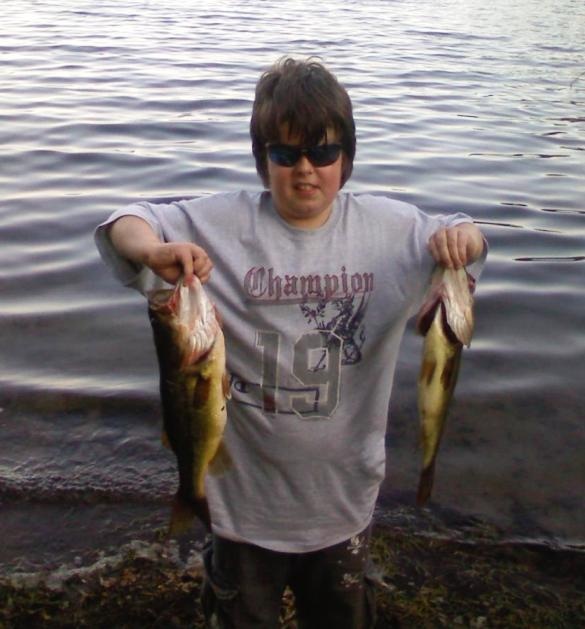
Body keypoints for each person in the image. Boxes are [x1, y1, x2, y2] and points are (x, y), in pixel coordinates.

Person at [95, 57, 486, 629]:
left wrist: (465, 236)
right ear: (263, 160)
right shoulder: (217, 226)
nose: (306, 170)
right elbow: (124, 222)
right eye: (285, 155)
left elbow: (466, 236)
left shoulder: (391, 231)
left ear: (346, 158)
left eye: (323, 153)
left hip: (345, 501)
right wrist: (153, 252)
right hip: (241, 509)